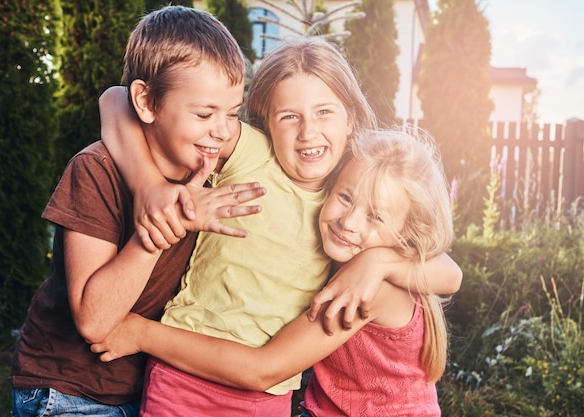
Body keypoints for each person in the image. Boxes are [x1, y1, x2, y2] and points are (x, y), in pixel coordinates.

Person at [98, 36, 462, 416]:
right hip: (188, 384)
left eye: (324, 112)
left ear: (349, 118)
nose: (307, 132)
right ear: (266, 120)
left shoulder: (357, 203)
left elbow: (449, 273)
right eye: (290, 116)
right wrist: (148, 186)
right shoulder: (262, 158)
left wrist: (378, 264)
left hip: (263, 394)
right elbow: (116, 99)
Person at [8, 6, 268, 417]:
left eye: (232, 113)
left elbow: (114, 98)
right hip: (69, 388)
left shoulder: (209, 162)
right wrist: (164, 226)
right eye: (204, 114)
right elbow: (94, 322)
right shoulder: (96, 170)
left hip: (148, 385)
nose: (221, 130)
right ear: (146, 102)